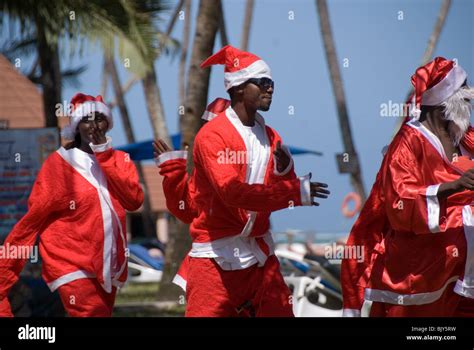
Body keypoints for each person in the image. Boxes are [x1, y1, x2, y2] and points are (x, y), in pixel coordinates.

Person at [154, 45, 330, 317]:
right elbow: (231, 193)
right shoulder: (212, 136)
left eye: (271, 83)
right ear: (237, 88)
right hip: (215, 259)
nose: (270, 89)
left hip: (260, 255)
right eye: (262, 83)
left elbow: (273, 190)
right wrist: (295, 192)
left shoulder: (271, 135)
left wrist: (285, 174)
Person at [341, 57, 474, 317]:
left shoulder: (464, 138)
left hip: (461, 274)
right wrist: (451, 187)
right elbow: (398, 202)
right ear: (444, 100)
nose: (470, 96)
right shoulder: (408, 143)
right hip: (419, 276)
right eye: (464, 90)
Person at [0, 93, 144, 317]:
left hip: (108, 265)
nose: (94, 125)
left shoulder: (119, 159)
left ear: (108, 123)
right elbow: (34, 217)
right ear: (77, 127)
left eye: (99, 118)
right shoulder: (60, 164)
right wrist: (10, 259)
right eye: (87, 119)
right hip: (71, 264)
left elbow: (134, 200)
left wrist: (104, 154)